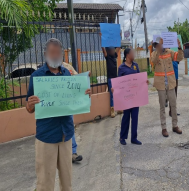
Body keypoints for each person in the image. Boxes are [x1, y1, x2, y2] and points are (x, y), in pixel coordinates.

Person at [26, 38, 91, 191]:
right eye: (51, 52)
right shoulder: (37, 76)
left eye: (58, 52)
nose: (55, 55)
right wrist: (30, 104)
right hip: (46, 136)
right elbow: (29, 108)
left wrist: (84, 94)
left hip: (66, 135)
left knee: (67, 182)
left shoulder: (67, 75)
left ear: (62, 54)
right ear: (45, 54)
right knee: (45, 183)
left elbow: (75, 98)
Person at [112, 49, 148, 145]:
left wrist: (145, 82)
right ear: (127, 55)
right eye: (132, 53)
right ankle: (122, 137)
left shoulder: (135, 65)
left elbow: (139, 78)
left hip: (135, 97)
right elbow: (119, 82)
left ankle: (134, 138)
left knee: (135, 117)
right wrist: (114, 89)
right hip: (126, 97)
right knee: (126, 117)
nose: (134, 55)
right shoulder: (121, 68)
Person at [151, 38, 184, 137]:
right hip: (160, 84)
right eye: (159, 44)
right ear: (156, 46)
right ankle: (164, 128)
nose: (162, 45)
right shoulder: (154, 54)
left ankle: (175, 125)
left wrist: (179, 47)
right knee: (162, 107)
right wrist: (158, 50)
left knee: (173, 105)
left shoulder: (169, 52)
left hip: (170, 83)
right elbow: (153, 60)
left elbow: (179, 58)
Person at [62, 62, 85, 163]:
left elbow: (77, 78)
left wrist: (84, 79)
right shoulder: (44, 70)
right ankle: (60, 155)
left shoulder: (67, 67)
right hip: (53, 106)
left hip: (67, 103)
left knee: (69, 126)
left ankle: (73, 153)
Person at [102, 46, 119, 118]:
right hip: (110, 78)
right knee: (112, 95)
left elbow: (118, 48)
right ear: (108, 51)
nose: (112, 50)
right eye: (111, 50)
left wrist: (119, 37)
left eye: (113, 49)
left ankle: (119, 108)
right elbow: (103, 50)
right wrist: (102, 38)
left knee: (118, 93)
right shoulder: (107, 57)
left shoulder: (114, 55)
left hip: (116, 77)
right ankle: (112, 110)